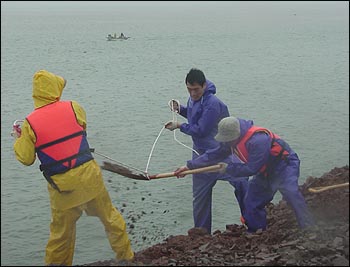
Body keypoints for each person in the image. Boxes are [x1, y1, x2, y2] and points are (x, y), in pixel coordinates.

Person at [13, 70, 134, 266]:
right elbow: (81, 129)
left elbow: (26, 159)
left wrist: (19, 139)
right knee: (111, 219)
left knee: (61, 236)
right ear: (56, 88)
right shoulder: (74, 107)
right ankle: (126, 258)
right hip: (90, 178)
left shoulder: (29, 124)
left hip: (63, 188)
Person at [174, 116, 315, 233]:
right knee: (251, 202)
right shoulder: (230, 140)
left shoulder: (258, 140)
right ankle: (258, 231)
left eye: (227, 139)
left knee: (290, 192)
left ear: (236, 135)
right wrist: (188, 166)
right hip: (264, 171)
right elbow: (214, 154)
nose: (226, 142)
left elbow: (251, 169)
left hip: (284, 165)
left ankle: (309, 228)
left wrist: (228, 168)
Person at [164, 68, 248, 234]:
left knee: (241, 180)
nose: (193, 93)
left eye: (196, 89)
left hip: (220, 152)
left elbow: (201, 129)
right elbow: (194, 116)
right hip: (200, 154)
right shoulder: (193, 99)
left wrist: (179, 126)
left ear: (204, 85)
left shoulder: (212, 104)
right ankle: (201, 234)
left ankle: (251, 219)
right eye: (189, 89)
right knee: (200, 197)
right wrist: (180, 109)